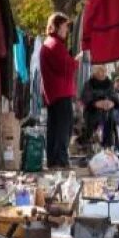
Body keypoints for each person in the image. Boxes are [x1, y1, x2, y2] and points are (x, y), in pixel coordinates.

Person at [40, 12, 82, 168]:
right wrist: (76, 61)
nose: (66, 30)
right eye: (64, 26)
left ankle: (54, 160)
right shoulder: (54, 44)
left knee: (55, 127)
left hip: (54, 93)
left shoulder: (51, 43)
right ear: (57, 27)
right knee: (63, 128)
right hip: (60, 93)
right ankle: (60, 161)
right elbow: (64, 66)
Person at [81, 65, 119, 149]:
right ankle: (92, 144)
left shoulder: (109, 83)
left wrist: (111, 103)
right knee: (93, 121)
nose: (102, 73)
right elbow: (85, 98)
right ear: (94, 73)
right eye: (99, 71)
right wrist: (97, 103)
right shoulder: (89, 83)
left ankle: (108, 146)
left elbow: (114, 97)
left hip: (108, 113)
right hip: (92, 113)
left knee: (111, 120)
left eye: (103, 71)